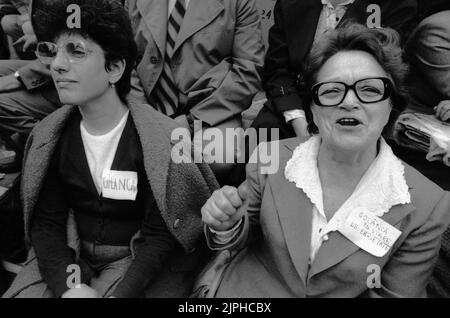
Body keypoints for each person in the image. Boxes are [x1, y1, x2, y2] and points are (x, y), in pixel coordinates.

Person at [199, 23, 450, 297]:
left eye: (369, 90)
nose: (349, 102)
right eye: (331, 91)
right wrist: (226, 224)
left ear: (392, 106)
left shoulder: (429, 206)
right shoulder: (269, 157)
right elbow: (242, 238)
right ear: (313, 110)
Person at [3, 0, 218, 298]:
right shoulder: (49, 135)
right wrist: (70, 288)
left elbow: (160, 237)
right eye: (51, 51)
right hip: (71, 252)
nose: (57, 65)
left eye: (76, 51)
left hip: (135, 261)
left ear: (115, 68)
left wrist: (120, 295)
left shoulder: (162, 139)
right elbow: (47, 225)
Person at [125, 0, 264, 182]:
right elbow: (124, 61)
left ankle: (196, 206)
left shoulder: (239, 3)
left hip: (209, 110)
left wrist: (191, 121)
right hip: (148, 106)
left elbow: (248, 70)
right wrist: (145, 115)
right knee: (123, 151)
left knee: (217, 155)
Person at [251, 0, 418, 141]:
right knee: (263, 140)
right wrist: (297, 119)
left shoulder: (394, 5)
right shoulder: (291, 4)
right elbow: (277, 69)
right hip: (295, 106)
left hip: (357, 105)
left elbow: (391, 73)